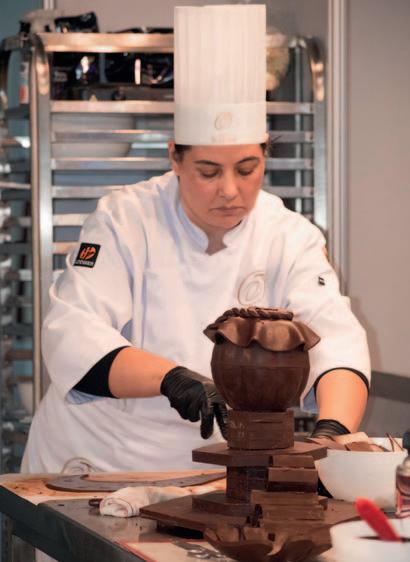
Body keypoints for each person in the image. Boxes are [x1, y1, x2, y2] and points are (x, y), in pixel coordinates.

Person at [22, 4, 370, 476]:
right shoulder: (124, 220)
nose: (230, 190)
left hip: (212, 473)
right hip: (95, 463)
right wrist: (172, 379)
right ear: (175, 158)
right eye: (208, 171)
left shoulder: (288, 235)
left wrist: (331, 436)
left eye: (247, 169)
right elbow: (72, 334)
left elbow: (337, 340)